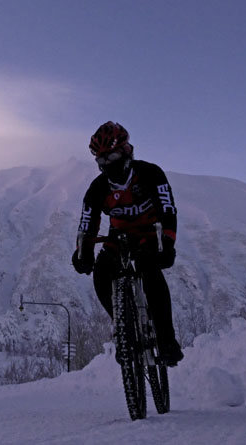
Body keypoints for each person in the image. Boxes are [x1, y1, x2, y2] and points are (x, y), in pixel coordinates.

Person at [71, 121, 183, 367]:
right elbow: (87, 223)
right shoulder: (97, 188)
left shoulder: (151, 174)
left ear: (126, 151)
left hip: (149, 234)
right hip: (119, 237)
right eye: (101, 161)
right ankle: (124, 328)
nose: (107, 165)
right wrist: (83, 252)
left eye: (111, 156)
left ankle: (166, 340)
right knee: (101, 274)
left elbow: (167, 209)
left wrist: (167, 242)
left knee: (149, 268)